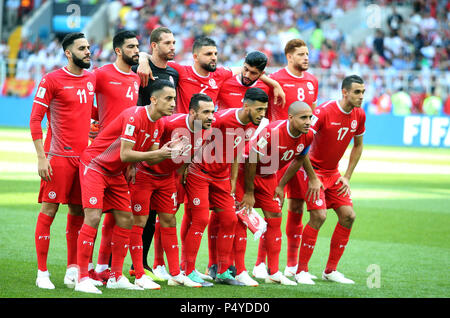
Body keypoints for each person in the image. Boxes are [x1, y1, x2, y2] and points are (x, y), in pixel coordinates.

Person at [74, 79, 180, 294]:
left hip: (116, 172)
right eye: (168, 99)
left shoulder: (159, 123)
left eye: (174, 99)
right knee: (93, 217)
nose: (173, 104)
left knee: (126, 218)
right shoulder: (135, 116)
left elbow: (150, 159)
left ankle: (115, 276)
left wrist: (169, 152)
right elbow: (125, 153)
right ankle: (82, 278)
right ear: (153, 99)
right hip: (95, 165)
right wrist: (156, 154)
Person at [183, 87, 269, 286]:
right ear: (246, 105)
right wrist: (186, 164)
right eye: (258, 109)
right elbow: (196, 135)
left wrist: (233, 177)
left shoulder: (255, 124)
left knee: (230, 220)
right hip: (200, 173)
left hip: (222, 177)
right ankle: (188, 271)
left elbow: (238, 151)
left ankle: (222, 272)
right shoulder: (221, 119)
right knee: (201, 218)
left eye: (264, 109)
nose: (262, 114)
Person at [128, 93, 215, 288]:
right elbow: (142, 136)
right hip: (145, 174)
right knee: (140, 221)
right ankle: (139, 273)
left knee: (169, 221)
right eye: (206, 112)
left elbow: (187, 155)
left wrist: (180, 175)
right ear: (192, 112)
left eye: (212, 112)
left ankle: (176, 274)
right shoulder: (169, 123)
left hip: (167, 179)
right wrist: (131, 165)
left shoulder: (205, 131)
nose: (211, 116)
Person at [30, 32, 96, 290]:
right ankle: (42, 273)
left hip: (84, 159)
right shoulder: (52, 80)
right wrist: (41, 158)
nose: (88, 52)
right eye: (82, 48)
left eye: (88, 47)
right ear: (68, 53)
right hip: (57, 157)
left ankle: (73, 269)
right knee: (49, 210)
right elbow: (35, 119)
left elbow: (89, 111)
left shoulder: (92, 79)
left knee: (79, 212)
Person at [252, 38, 319, 280]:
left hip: (297, 151)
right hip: (275, 151)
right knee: (274, 207)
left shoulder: (313, 81)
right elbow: (252, 75)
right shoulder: (276, 78)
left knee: (298, 206)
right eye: (301, 54)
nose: (306, 58)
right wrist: (272, 82)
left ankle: (293, 266)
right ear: (289, 56)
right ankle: (261, 264)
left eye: (307, 53)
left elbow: (309, 112)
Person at [291, 75, 366, 285]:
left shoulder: (359, 115)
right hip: (311, 170)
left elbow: (358, 145)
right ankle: (301, 270)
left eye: (363, 92)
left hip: (333, 173)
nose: (361, 97)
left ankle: (330, 270)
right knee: (319, 216)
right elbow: (303, 143)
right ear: (345, 92)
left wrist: (347, 176)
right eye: (357, 92)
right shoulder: (323, 111)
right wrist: (313, 178)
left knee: (349, 216)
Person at [206, 50, 269, 280]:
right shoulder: (225, 81)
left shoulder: (263, 91)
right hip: (215, 161)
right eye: (246, 69)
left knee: (236, 216)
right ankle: (215, 266)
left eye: (254, 73)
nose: (248, 75)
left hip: (241, 162)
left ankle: (232, 267)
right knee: (208, 216)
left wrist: (272, 83)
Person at [238, 101, 315, 286]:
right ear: (290, 118)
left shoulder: (309, 135)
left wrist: (281, 185)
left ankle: (273, 272)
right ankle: (238, 270)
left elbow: (300, 158)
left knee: (275, 217)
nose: (308, 121)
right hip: (245, 171)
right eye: (303, 117)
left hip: (269, 175)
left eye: (310, 117)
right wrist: (249, 192)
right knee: (239, 220)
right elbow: (252, 160)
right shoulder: (272, 132)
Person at [88, 30, 141, 284]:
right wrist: (91, 122)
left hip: (124, 157)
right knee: (90, 213)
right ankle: (81, 267)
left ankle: (103, 267)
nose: (136, 50)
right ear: (118, 50)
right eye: (131, 46)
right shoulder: (101, 74)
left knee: (117, 216)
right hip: (100, 154)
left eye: (137, 46)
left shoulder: (135, 79)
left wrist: (130, 161)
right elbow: (85, 102)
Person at [129, 26, 180, 281]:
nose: (173, 46)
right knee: (129, 213)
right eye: (167, 42)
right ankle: (108, 266)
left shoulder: (173, 73)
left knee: (151, 215)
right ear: (154, 46)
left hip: (160, 148)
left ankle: (143, 264)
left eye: (174, 42)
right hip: (137, 145)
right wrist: (142, 59)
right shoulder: (140, 70)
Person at [137, 35, 286, 114]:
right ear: (195, 57)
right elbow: (156, 59)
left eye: (215, 53)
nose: (214, 57)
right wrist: (143, 58)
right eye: (208, 54)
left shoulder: (220, 74)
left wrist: (275, 84)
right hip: (180, 131)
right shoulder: (182, 71)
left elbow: (246, 69)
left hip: (206, 138)